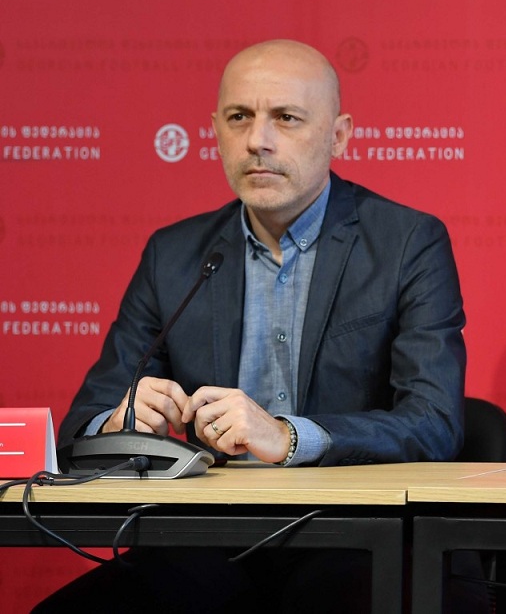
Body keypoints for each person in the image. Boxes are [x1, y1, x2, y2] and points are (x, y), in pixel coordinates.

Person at [41, 39, 474, 613]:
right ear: (215, 130)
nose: (257, 141)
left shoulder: (407, 243)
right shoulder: (174, 255)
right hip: (208, 540)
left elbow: (434, 422)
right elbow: (81, 427)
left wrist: (289, 436)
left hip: (357, 537)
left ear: (339, 136)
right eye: (239, 117)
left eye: (286, 118)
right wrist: (120, 423)